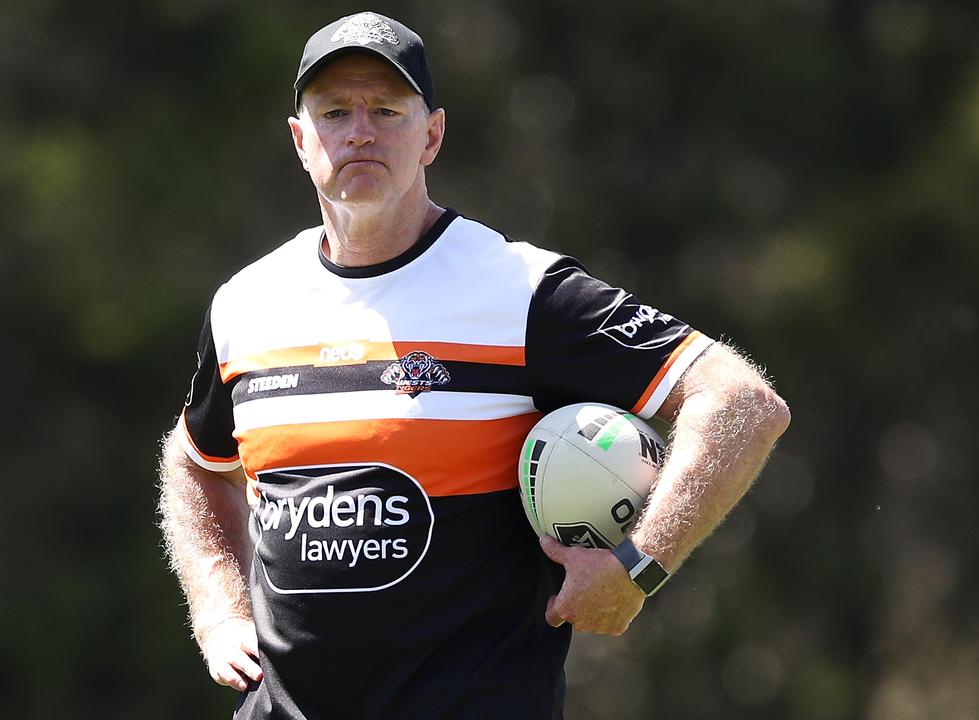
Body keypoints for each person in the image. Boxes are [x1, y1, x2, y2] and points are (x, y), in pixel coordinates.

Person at [158, 11, 790, 720]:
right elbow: (195, 463)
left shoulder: (522, 292)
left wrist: (638, 566)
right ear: (301, 141)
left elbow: (740, 402)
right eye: (335, 111)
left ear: (432, 135)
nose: (360, 130)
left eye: (387, 110)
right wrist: (216, 609)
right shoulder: (246, 303)